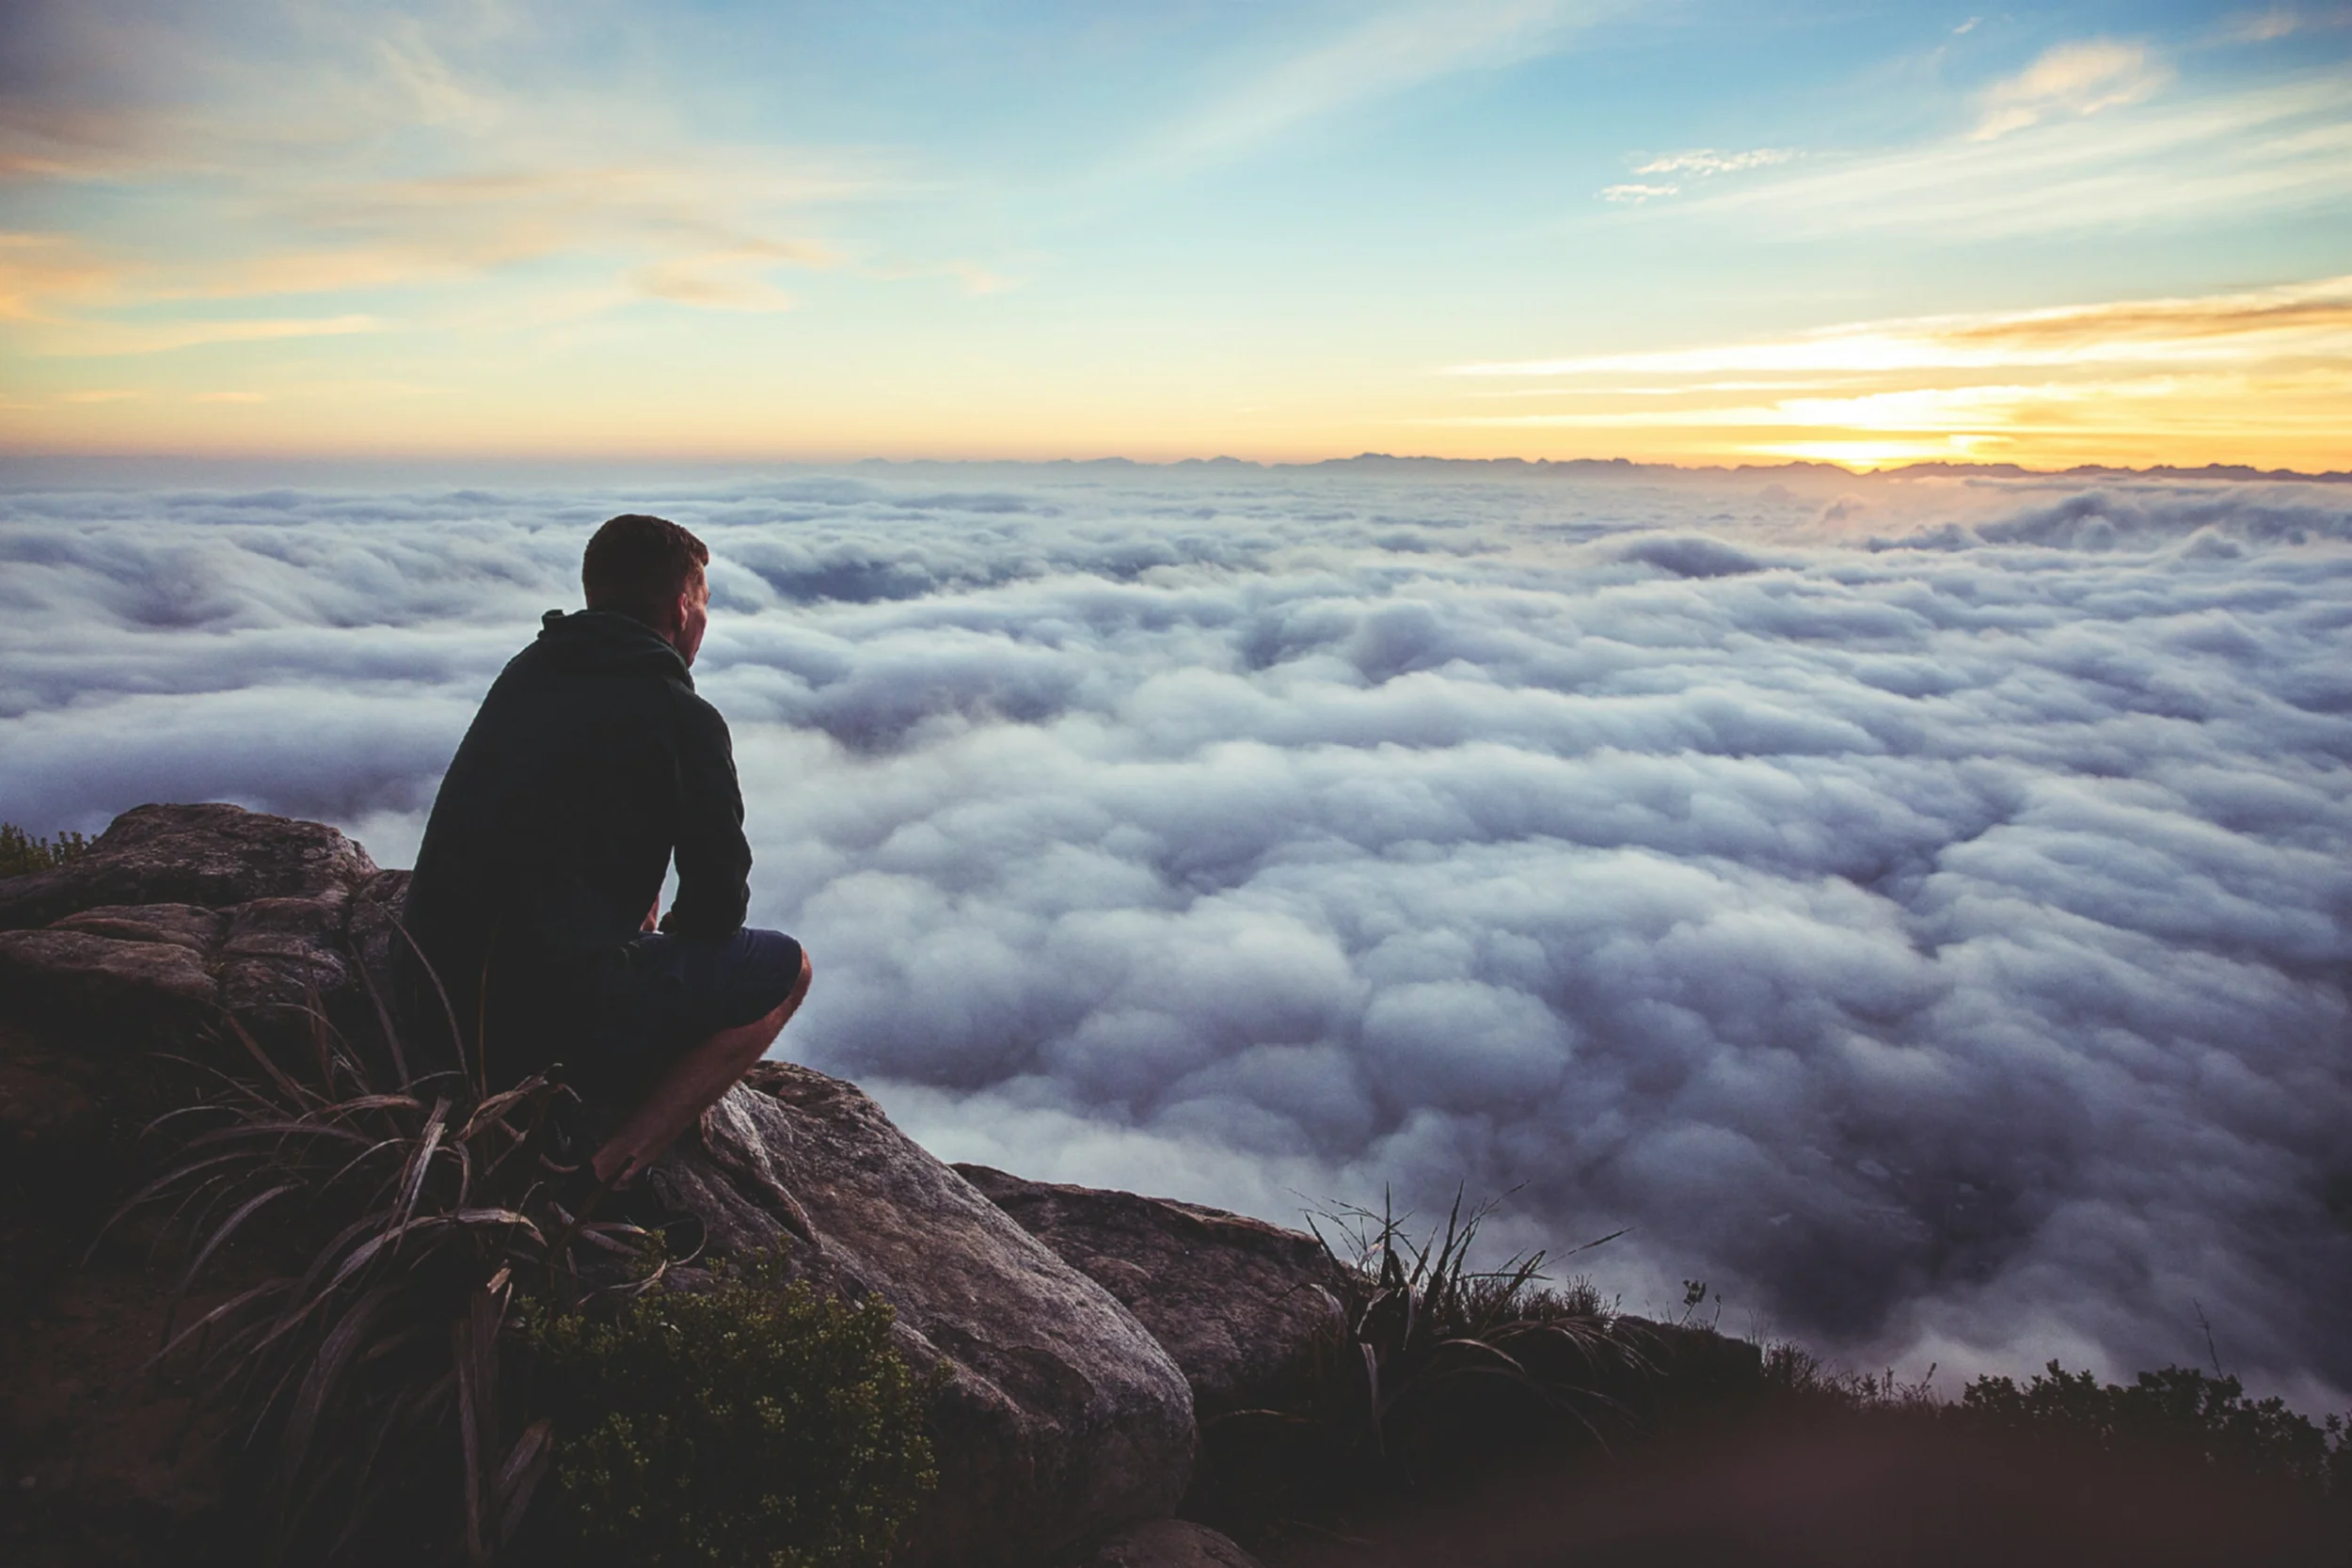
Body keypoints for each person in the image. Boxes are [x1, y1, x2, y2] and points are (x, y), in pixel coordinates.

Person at [399, 513, 809, 1198]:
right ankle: (602, 1173)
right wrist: (661, 935)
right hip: (535, 1028)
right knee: (786, 970)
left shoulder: (529, 669)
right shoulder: (682, 715)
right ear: (682, 609)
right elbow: (717, 907)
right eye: (703, 606)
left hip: (427, 1000)